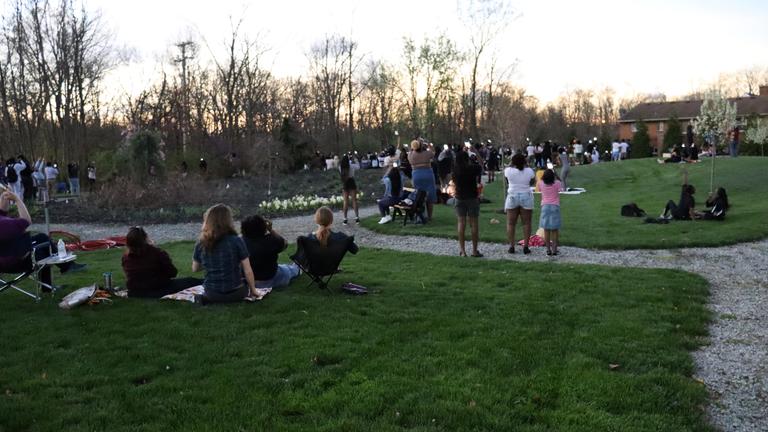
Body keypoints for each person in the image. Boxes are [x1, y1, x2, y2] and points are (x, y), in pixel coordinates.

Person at [0, 190, 83, 289]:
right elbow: (26, 221)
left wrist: (3, 198)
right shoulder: (4, 225)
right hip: (14, 263)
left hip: (6, 258)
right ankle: (48, 285)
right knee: (43, 251)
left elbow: (2, 212)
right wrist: (17, 200)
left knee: (42, 238)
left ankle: (67, 267)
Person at [191, 204, 257, 304]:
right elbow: (247, 270)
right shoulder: (237, 241)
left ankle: (203, 299)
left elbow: (195, 269)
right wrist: (253, 290)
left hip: (212, 294)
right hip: (237, 294)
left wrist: (210, 263)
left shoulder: (201, 243)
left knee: (207, 288)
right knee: (242, 282)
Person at [121, 227, 202, 298]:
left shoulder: (125, 257)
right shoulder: (156, 253)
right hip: (159, 289)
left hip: (136, 292)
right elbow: (173, 273)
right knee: (191, 281)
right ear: (145, 239)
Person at [240, 214, 300, 289]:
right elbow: (285, 244)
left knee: (283, 267)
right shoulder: (271, 240)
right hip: (271, 279)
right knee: (290, 269)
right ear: (263, 226)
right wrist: (271, 230)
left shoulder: (240, 242)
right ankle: (297, 268)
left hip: (247, 282)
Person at [452, 150, 483, 257]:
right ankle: (474, 250)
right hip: (472, 197)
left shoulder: (455, 170)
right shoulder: (472, 168)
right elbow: (481, 164)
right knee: (474, 224)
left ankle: (463, 251)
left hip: (459, 197)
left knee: (461, 223)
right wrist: (476, 152)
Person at [504, 153, 535, 254]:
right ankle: (526, 246)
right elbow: (532, 182)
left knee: (511, 223)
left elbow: (506, 177)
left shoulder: (508, 171)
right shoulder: (529, 171)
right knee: (526, 223)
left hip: (512, 195)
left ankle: (511, 246)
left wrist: (510, 164)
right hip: (526, 195)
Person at [407, 140, 437, 221]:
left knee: (419, 195)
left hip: (416, 175)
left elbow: (410, 153)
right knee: (430, 196)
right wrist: (429, 145)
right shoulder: (427, 153)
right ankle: (430, 217)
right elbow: (433, 152)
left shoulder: (410, 155)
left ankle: (420, 215)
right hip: (428, 174)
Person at [538, 169, 562, 256]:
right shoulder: (557, 183)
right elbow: (561, 189)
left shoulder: (540, 183)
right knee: (555, 230)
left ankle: (548, 249)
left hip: (545, 206)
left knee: (546, 229)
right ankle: (555, 249)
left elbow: (539, 189)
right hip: (555, 206)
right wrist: (557, 176)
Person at [339, 154, 359, 225]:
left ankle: (345, 219)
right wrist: (355, 160)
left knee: (345, 201)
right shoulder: (351, 165)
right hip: (351, 181)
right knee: (354, 200)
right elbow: (358, 167)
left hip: (345, 182)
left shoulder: (340, 167)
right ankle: (357, 217)